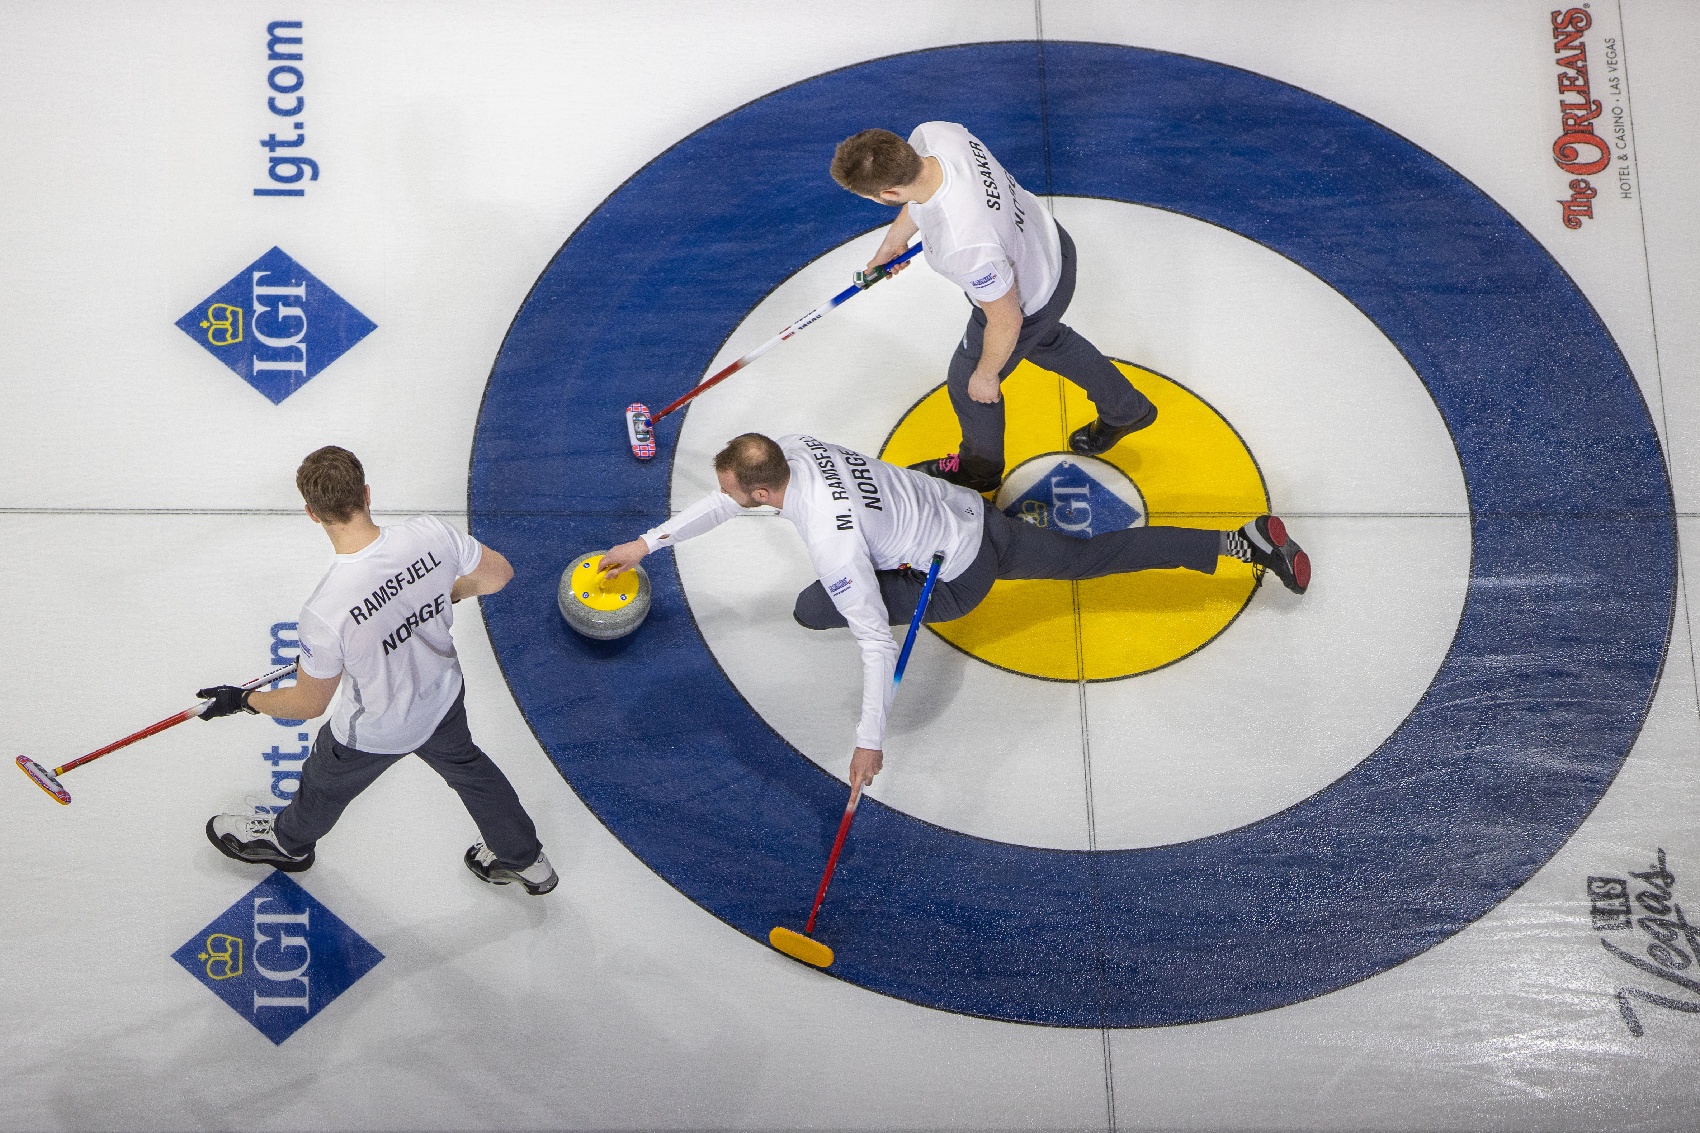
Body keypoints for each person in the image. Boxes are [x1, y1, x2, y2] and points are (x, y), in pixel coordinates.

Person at [598, 433, 1307, 790]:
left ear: (761, 489)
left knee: (819, 609)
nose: (730, 497)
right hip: (968, 515)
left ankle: (909, 556)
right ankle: (1235, 540)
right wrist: (648, 543)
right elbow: (729, 497)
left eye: (736, 492)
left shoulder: (829, 542)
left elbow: (874, 642)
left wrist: (869, 737)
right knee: (1089, 557)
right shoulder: (791, 445)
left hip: (962, 575)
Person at [199, 446, 557, 895]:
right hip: (443, 697)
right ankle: (526, 861)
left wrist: (243, 699)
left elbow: (308, 704)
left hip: (375, 730)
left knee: (323, 782)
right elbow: (498, 575)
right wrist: (442, 596)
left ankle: (288, 843)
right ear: (366, 493)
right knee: (472, 772)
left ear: (311, 513)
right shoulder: (431, 534)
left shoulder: (327, 610)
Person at [831, 123, 1159, 493]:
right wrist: (893, 243)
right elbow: (921, 198)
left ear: (888, 192)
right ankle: (1126, 409)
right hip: (1048, 244)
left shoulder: (965, 245)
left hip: (1029, 297)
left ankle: (979, 470)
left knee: (968, 382)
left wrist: (987, 375)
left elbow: (1006, 319)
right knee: (1047, 341)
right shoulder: (937, 134)